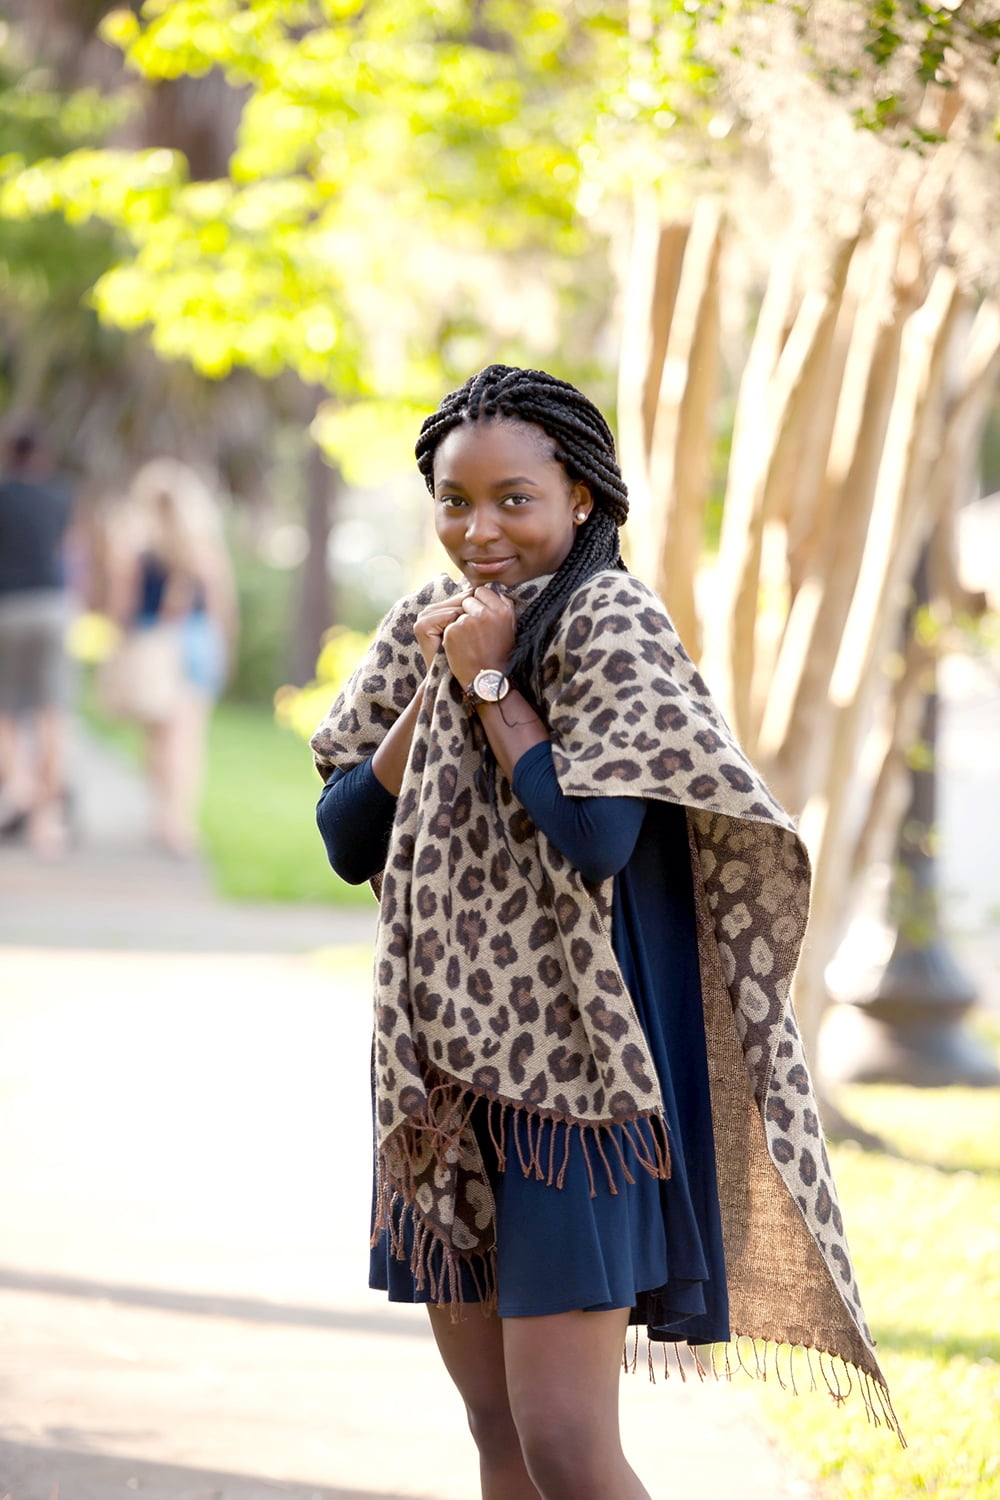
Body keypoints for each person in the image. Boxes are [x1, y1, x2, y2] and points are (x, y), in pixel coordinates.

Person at [311, 365, 899, 1499]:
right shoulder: (423, 629)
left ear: (580, 496)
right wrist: (441, 683)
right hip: (440, 1076)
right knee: (498, 1440)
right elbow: (347, 838)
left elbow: (595, 836)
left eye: (511, 499)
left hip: (578, 1087)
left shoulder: (610, 619)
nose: (477, 530)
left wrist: (490, 690)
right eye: (453, 500)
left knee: (568, 1446)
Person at [104, 458, 237, 856]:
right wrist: (223, 649)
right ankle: (178, 822)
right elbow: (221, 607)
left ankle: (163, 815)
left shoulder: (136, 548)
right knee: (187, 738)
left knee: (157, 737)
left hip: (152, 647)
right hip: (197, 643)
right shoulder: (202, 548)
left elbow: (122, 609)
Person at [0, 419, 74, 855]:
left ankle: (19, 787)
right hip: (49, 605)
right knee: (52, 712)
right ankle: (46, 820)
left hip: (6, 606)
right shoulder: (58, 496)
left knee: (6, 708)